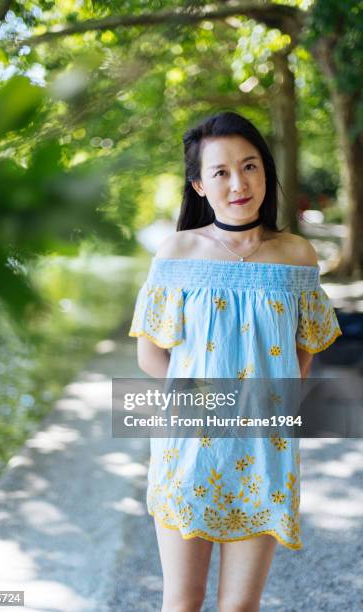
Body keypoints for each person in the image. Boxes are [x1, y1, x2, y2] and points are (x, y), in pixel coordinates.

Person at [128, 111, 342, 612]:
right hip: (189, 451)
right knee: (183, 600)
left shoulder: (297, 255)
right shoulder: (178, 252)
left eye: (249, 167)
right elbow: (149, 354)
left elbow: (304, 351)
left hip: (266, 453)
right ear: (199, 184)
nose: (238, 183)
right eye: (220, 172)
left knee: (240, 607)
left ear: (266, 172)